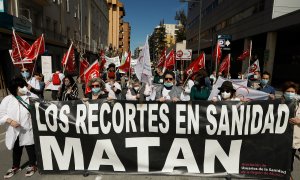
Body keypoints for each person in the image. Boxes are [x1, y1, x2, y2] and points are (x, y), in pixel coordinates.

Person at [0, 77, 38, 178]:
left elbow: (43, 107)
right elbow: (1, 114)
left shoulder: (31, 96)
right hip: (14, 130)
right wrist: (10, 121)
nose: (24, 87)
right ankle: (15, 166)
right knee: (16, 148)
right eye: (22, 86)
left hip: (28, 129)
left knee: (30, 147)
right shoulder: (7, 100)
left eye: (24, 85)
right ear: (15, 88)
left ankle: (32, 164)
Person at [282, 81, 300, 177]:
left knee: (289, 165)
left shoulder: (299, 106)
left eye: (292, 91)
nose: (290, 93)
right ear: (284, 93)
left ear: (296, 93)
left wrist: (299, 121)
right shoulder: (278, 104)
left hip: (293, 141)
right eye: (288, 91)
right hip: (279, 140)